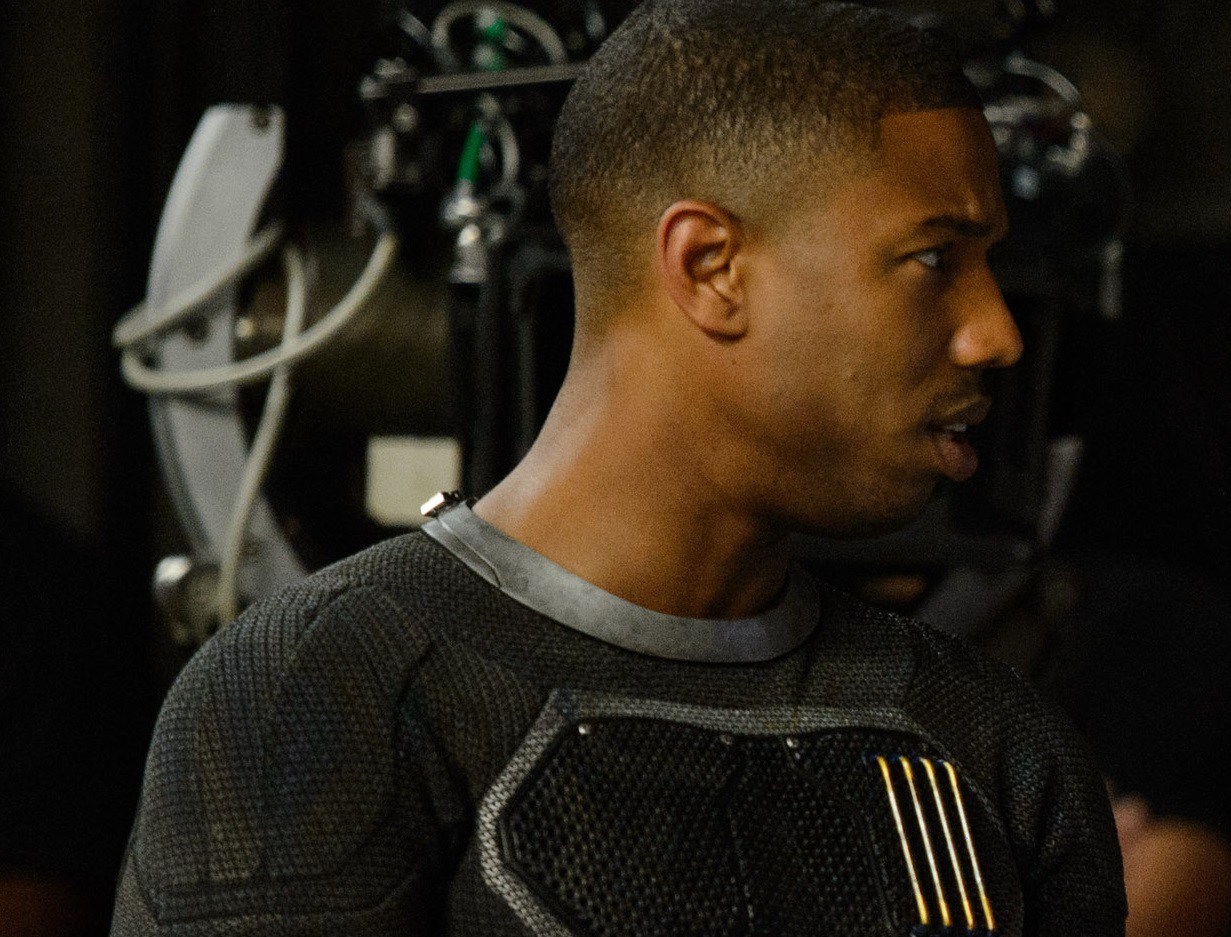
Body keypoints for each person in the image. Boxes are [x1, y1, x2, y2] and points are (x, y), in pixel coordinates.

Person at [109, 1, 1125, 934]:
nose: (996, 333)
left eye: (991, 265)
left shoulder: (994, 748)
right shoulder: (325, 694)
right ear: (709, 267)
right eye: (935, 258)